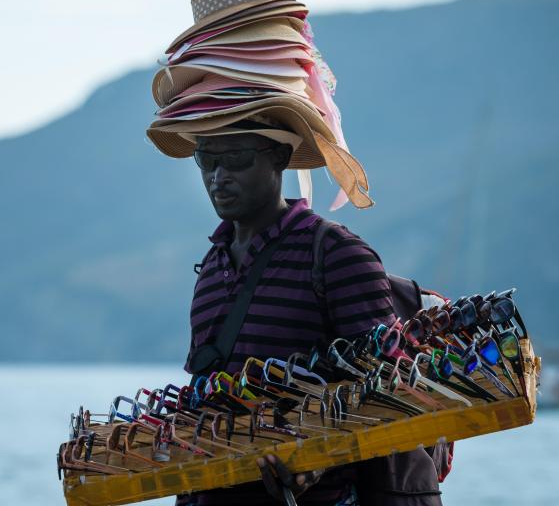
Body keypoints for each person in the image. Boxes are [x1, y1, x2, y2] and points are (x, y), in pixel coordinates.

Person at [177, 131, 444, 506]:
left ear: (281, 158)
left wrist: (318, 460)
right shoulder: (210, 267)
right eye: (207, 159)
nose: (218, 176)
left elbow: (392, 392)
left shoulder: (338, 254)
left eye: (236, 158)